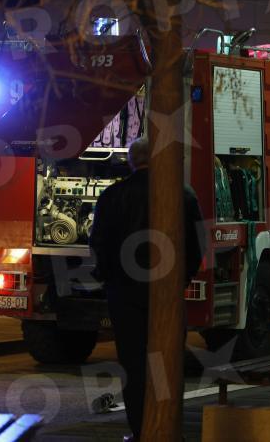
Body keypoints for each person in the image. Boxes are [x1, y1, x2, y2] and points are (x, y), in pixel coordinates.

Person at [89, 138, 204, 442]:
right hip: (166, 293)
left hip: (124, 294)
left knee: (134, 363)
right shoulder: (183, 195)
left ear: (131, 161)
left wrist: (107, 278)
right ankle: (168, 428)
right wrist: (182, 279)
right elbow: (197, 245)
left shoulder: (112, 196)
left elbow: (98, 243)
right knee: (166, 362)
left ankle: (141, 430)